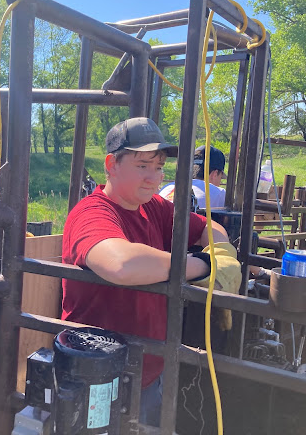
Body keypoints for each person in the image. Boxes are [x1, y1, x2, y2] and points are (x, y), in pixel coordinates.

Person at [61, 117, 241, 427]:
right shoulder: (92, 213)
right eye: (143, 165)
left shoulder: (153, 207)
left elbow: (208, 227)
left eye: (159, 167)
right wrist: (205, 266)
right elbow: (122, 264)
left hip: (151, 368)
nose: (153, 177)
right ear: (111, 165)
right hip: (99, 372)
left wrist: (222, 253)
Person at [158, 145, 227, 209]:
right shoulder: (220, 193)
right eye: (220, 177)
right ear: (215, 174)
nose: (220, 182)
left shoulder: (165, 188)